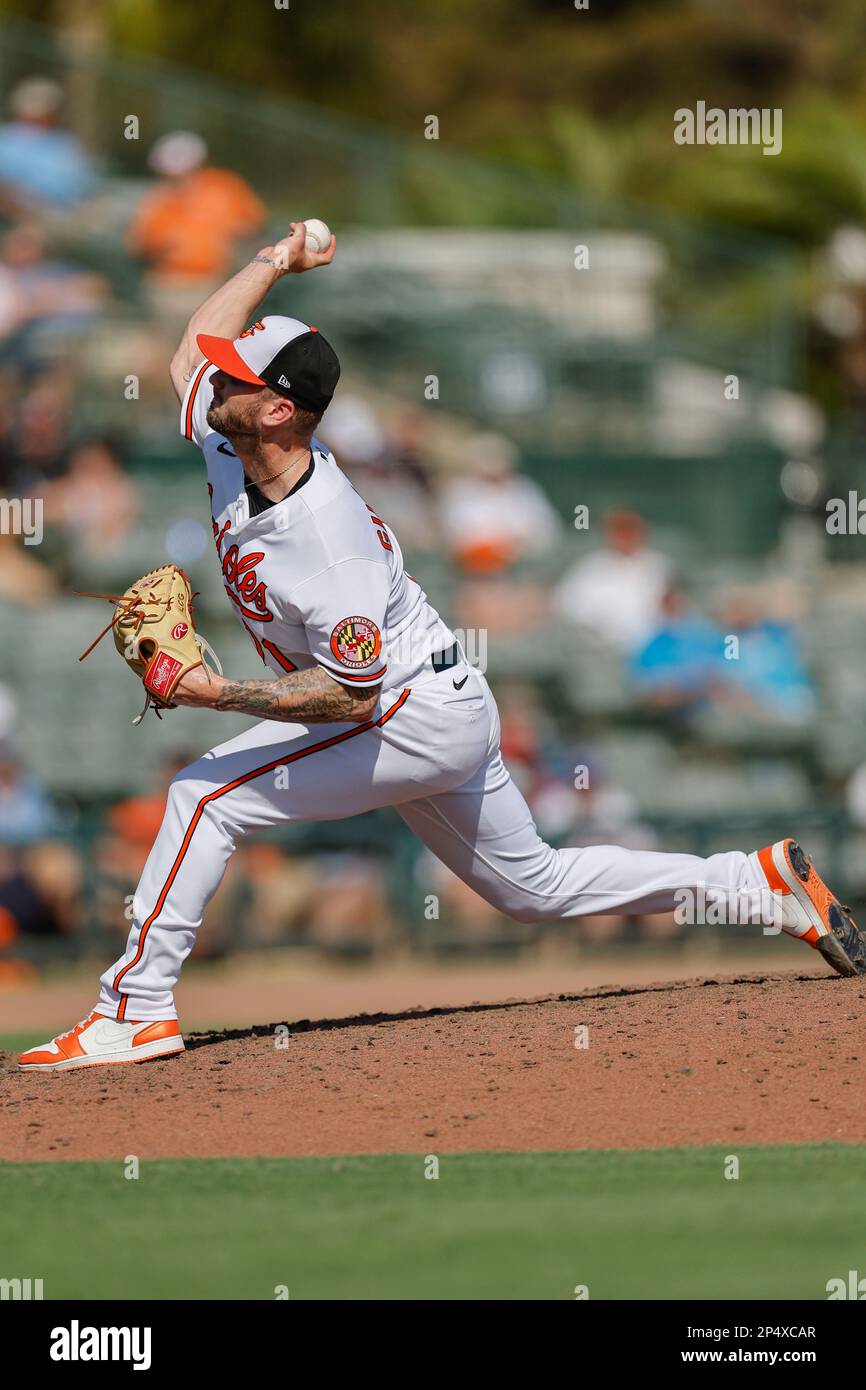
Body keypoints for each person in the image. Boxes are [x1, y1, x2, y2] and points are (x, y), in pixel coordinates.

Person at [20, 220, 866, 1072]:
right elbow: (183, 357)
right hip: (434, 699)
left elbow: (351, 695)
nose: (210, 380)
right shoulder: (228, 434)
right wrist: (274, 262)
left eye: (234, 375)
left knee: (206, 796)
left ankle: (135, 1008)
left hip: (404, 711)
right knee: (530, 888)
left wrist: (213, 692)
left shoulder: (329, 541)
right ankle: (750, 886)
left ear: (279, 409)